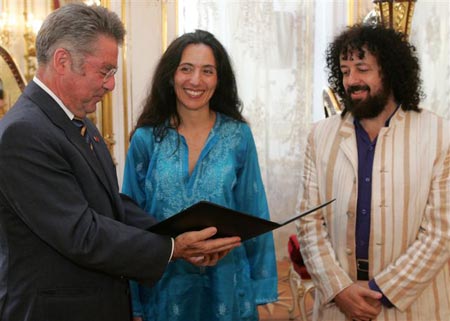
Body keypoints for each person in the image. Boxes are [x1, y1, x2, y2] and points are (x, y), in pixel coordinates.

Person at [0, 4, 242, 321]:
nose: (111, 84)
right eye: (105, 71)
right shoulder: (24, 132)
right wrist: (172, 249)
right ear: (62, 61)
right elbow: (82, 234)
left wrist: (179, 236)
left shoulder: (74, 120)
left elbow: (111, 205)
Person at [296, 24, 450, 321]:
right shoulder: (320, 136)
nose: (351, 80)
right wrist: (340, 290)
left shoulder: (440, 135)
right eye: (344, 71)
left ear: (390, 71)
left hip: (414, 306)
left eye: (362, 69)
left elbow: (441, 233)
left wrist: (382, 290)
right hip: (338, 305)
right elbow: (309, 222)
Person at [122, 29, 278, 321]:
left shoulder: (238, 136)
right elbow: (130, 220)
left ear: (219, 80)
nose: (196, 81)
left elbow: (253, 207)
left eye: (207, 71)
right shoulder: (145, 140)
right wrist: (134, 303)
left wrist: (261, 290)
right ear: (171, 76)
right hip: (163, 288)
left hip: (227, 288)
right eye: (186, 69)